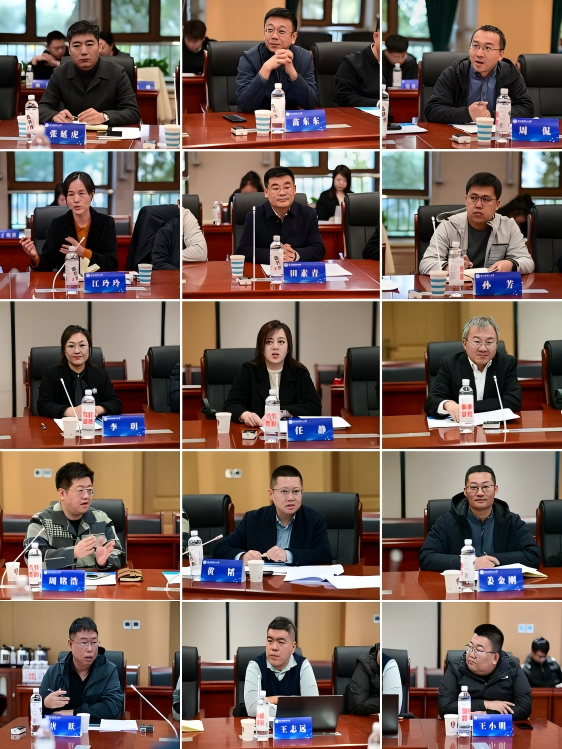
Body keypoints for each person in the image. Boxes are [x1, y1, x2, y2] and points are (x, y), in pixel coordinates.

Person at [418, 464, 540, 571]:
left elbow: (533, 555)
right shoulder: (446, 522)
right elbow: (426, 557)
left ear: (495, 489)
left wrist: (490, 561)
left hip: (498, 585)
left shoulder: (512, 521)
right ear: (465, 492)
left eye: (486, 487)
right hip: (461, 585)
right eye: (473, 488)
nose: (480, 493)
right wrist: (470, 563)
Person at [213, 465, 332, 565]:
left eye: (296, 491)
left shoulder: (314, 519)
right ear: (271, 494)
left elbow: (325, 555)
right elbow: (219, 549)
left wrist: (288, 555)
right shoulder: (253, 519)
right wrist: (242, 557)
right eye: (284, 491)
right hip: (262, 582)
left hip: (298, 583)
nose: (291, 498)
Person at [419, 173, 535, 274]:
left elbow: (528, 262)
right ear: (466, 200)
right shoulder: (448, 225)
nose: (478, 205)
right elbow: (426, 264)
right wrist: (450, 267)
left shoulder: (509, 226)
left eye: (486, 199)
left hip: (492, 288)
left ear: (497, 205)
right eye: (473, 198)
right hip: (458, 287)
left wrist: (511, 264)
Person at [24, 462, 126, 570]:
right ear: (62, 494)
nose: (86, 496)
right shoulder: (41, 521)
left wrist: (104, 562)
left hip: (95, 580)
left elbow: (120, 554)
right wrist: (72, 553)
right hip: (59, 581)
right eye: (80, 490)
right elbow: (32, 560)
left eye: (89, 490)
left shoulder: (102, 519)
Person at [424, 24, 533, 123]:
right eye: (475, 46)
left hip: (496, 135)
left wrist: (491, 115)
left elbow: (526, 109)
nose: (479, 54)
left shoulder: (510, 74)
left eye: (487, 48)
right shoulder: (455, 72)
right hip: (459, 136)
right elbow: (432, 110)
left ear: (500, 55)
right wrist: (468, 114)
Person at [39, 20, 140, 125]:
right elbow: (42, 108)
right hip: (73, 132)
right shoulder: (59, 73)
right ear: (69, 50)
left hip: (106, 133)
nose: (84, 52)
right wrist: (54, 116)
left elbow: (132, 112)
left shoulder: (117, 72)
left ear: (99, 47)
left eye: (90, 44)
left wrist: (105, 117)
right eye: (76, 46)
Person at [223, 319, 322, 426]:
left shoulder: (299, 372)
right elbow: (230, 405)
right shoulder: (248, 370)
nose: (275, 347)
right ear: (261, 347)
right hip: (257, 432)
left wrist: (284, 413)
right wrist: (245, 415)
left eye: (281, 342)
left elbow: (315, 406)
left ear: (288, 348)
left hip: (289, 433)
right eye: (269, 342)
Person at [424, 316, 522, 420]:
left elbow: (513, 401)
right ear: (464, 343)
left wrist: (466, 408)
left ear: (496, 344)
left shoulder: (507, 363)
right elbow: (431, 402)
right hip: (459, 427)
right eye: (477, 342)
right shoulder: (450, 364)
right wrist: (447, 404)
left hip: (496, 428)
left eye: (489, 342)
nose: (483, 348)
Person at [20, 171, 118, 273]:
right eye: (71, 194)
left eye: (81, 193)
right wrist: (35, 256)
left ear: (91, 194)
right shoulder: (57, 225)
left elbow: (112, 263)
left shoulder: (106, 223)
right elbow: (47, 264)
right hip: (67, 281)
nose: (76, 199)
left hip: (96, 281)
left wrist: (82, 252)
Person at [439, 624, 532, 719]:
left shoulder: (511, 668)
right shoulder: (456, 667)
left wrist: (487, 714)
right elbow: (445, 707)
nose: (471, 654)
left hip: (499, 727)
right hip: (464, 726)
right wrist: (485, 704)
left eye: (479, 650)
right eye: (470, 647)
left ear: (495, 658)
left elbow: (524, 708)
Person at [39, 616, 124, 719]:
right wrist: (45, 703)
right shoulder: (54, 672)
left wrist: (74, 713)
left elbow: (112, 706)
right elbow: (33, 710)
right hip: (64, 728)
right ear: (70, 644)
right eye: (84, 643)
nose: (90, 649)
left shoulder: (109, 670)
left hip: (97, 728)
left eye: (94, 642)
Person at [236, 7, 317, 112]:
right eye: (269, 30)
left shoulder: (304, 57)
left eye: (281, 31)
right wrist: (266, 69)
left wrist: (293, 74)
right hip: (257, 119)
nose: (274, 36)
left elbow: (310, 104)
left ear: (293, 37)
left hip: (289, 120)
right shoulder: (249, 58)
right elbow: (244, 105)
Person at [237, 167, 325, 263]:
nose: (282, 193)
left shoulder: (308, 214)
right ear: (266, 192)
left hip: (296, 270)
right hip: (265, 271)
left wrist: (295, 255)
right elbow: (243, 249)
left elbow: (318, 249)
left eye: (287, 187)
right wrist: (275, 255)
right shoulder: (254, 215)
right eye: (275, 188)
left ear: (294, 189)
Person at [37, 324, 123, 420]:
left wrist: (94, 410)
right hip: (63, 427)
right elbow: (43, 405)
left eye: (82, 345)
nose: (77, 351)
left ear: (89, 348)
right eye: (71, 346)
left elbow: (116, 404)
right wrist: (74, 412)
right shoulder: (51, 373)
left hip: (93, 426)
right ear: (64, 350)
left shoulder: (101, 374)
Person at [243, 617, 319, 717]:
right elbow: (253, 709)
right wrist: (295, 705)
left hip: (294, 726)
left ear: (293, 647)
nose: (274, 647)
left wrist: (275, 699)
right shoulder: (255, 666)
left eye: (281, 642)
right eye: (270, 640)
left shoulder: (303, 665)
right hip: (264, 726)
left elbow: (313, 707)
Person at [348, 644, 402, 715]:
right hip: (365, 719)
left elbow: (394, 705)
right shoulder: (365, 664)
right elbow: (360, 704)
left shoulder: (391, 666)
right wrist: (386, 702)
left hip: (391, 717)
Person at [335, 21, 379, 106]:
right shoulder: (351, 63)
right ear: (376, 37)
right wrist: (377, 103)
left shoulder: (391, 64)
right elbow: (345, 97)